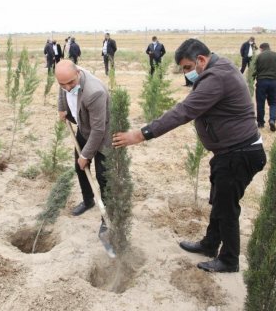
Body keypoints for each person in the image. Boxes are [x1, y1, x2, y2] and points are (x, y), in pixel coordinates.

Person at [113, 39, 267, 273]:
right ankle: (210, 244)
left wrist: (141, 134)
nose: (186, 73)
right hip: (228, 152)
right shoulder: (218, 69)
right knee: (218, 200)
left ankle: (229, 260)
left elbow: (184, 111)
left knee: (227, 207)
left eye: (187, 68)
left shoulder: (216, 77)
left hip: (240, 153)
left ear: (201, 60)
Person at [56, 60, 111, 216]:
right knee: (79, 167)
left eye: (70, 83)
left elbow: (98, 130)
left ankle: (107, 214)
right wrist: (61, 108)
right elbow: (62, 89)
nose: (67, 87)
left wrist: (86, 155)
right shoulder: (66, 78)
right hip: (84, 126)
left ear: (78, 74)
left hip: (104, 134)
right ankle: (88, 200)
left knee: (103, 176)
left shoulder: (94, 92)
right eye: (62, 84)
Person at [253, 43, 276, 131]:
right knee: (273, 103)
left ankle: (260, 123)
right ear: (269, 48)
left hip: (261, 82)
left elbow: (253, 70)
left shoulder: (259, 57)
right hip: (274, 82)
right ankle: (272, 120)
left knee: (260, 103)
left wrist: (251, 80)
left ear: (261, 49)